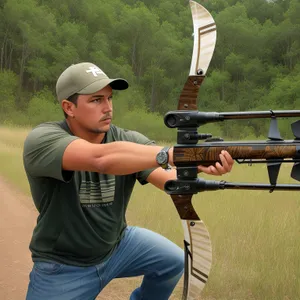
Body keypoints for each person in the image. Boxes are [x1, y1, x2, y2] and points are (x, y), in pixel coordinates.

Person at [23, 62, 234, 300]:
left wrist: (197, 166)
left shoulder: (126, 139)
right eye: (96, 100)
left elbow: (167, 177)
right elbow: (101, 159)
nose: (108, 107)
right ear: (69, 107)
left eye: (109, 98)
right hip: (63, 266)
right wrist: (170, 155)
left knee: (173, 261)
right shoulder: (43, 140)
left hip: (118, 247)